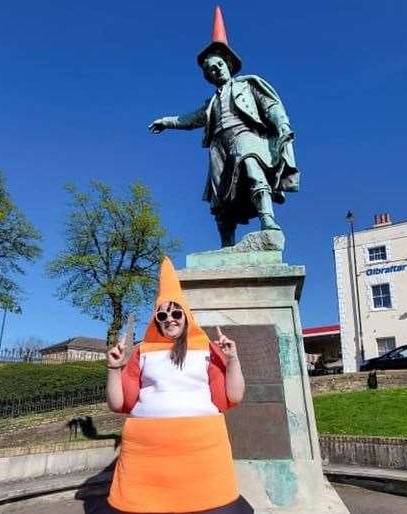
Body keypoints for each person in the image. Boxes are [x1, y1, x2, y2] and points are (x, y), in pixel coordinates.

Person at [105, 257, 252, 513]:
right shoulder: (141, 353)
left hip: (201, 456)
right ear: (156, 319)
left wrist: (232, 359)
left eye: (175, 313)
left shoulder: (207, 349)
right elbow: (118, 403)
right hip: (147, 460)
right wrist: (113, 368)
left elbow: (234, 396)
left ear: (186, 316)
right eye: (162, 314)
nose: (169, 319)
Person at [149, 6, 300, 248]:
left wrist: (282, 124)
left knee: (252, 166)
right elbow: (189, 120)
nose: (215, 70)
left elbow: (271, 106)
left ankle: (267, 220)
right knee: (219, 196)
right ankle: (226, 243)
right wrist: (166, 122)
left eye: (218, 65)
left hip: (245, 134)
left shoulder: (247, 85)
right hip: (218, 145)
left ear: (228, 64)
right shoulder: (210, 103)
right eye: (209, 70)